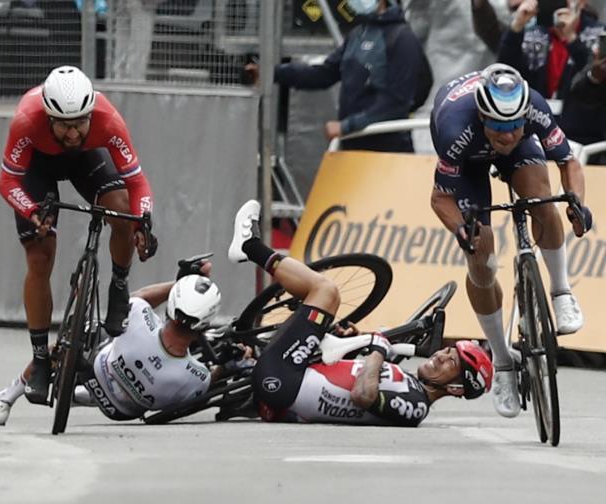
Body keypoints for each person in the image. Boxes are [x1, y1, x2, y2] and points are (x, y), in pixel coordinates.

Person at [230, 200, 494, 426]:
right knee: (321, 311)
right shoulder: (410, 384)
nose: (441, 356)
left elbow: (363, 396)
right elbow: (349, 380)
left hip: (283, 382)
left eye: (452, 362)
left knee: (327, 292)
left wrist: (378, 351)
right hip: (287, 380)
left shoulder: (415, 407)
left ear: (456, 388)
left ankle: (249, 246)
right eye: (448, 351)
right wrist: (353, 346)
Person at [428, 63, 592, 418]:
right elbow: (440, 199)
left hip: (512, 149)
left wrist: (577, 202)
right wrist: (461, 230)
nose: (508, 135)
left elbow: (568, 163)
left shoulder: (532, 109)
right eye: (499, 127)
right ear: (484, 116)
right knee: (481, 258)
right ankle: (502, 360)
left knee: (542, 201)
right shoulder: (455, 127)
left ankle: (561, 290)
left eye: (514, 125)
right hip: (469, 156)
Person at [0, 65, 157, 405]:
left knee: (121, 210)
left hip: (87, 161)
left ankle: (118, 284)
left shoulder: (107, 119)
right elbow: (7, 181)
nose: (72, 134)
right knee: (40, 255)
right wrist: (31, 211)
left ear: (89, 114)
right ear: (48, 115)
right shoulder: (27, 119)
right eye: (64, 125)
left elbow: (138, 183)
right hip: (38, 168)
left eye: (79, 123)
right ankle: (41, 359)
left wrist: (143, 220)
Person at [0, 260, 223, 425]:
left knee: (70, 341)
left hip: (99, 369)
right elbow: (207, 384)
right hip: (121, 412)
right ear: (206, 324)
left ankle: (6, 398)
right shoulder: (197, 376)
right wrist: (224, 368)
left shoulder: (141, 316)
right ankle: (82, 395)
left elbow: (136, 299)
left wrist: (178, 283)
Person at [246, 0, 426, 152]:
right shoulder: (358, 34)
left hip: (388, 153)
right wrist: (271, 73)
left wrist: (347, 126)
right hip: (351, 148)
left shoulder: (403, 39)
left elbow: (398, 103)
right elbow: (323, 74)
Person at [496, 0, 605, 144]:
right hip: (535, 132)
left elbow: (594, 82)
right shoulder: (533, 33)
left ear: (582, 2)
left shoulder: (599, 35)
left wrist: (572, 38)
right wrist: (517, 26)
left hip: (584, 136)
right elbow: (505, 73)